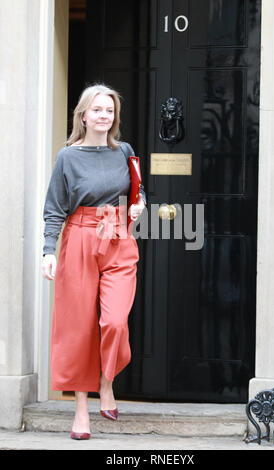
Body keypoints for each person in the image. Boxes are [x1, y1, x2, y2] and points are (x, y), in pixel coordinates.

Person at [41, 83, 146, 440]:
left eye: (110, 111)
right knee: (79, 328)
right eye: (97, 110)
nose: (104, 116)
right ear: (83, 115)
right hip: (80, 237)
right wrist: (47, 251)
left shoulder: (125, 151)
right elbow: (55, 208)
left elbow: (137, 189)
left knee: (114, 321)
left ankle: (106, 382)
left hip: (118, 237)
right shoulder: (67, 157)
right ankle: (82, 411)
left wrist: (139, 204)